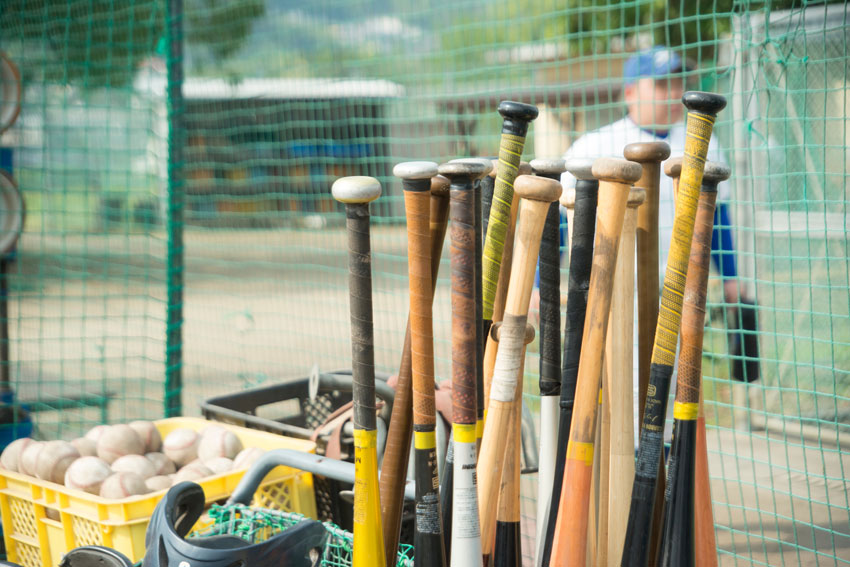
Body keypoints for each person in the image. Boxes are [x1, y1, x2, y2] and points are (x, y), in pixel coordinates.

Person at [557, 46, 761, 436]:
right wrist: (539, 287)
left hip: (679, 293)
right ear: (630, 92)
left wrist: (732, 277)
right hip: (616, 291)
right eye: (662, 83)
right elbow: (565, 223)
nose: (673, 92)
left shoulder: (701, 141)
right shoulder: (594, 145)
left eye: (678, 82)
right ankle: (624, 470)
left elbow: (717, 220)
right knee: (622, 393)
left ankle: (664, 477)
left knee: (673, 398)